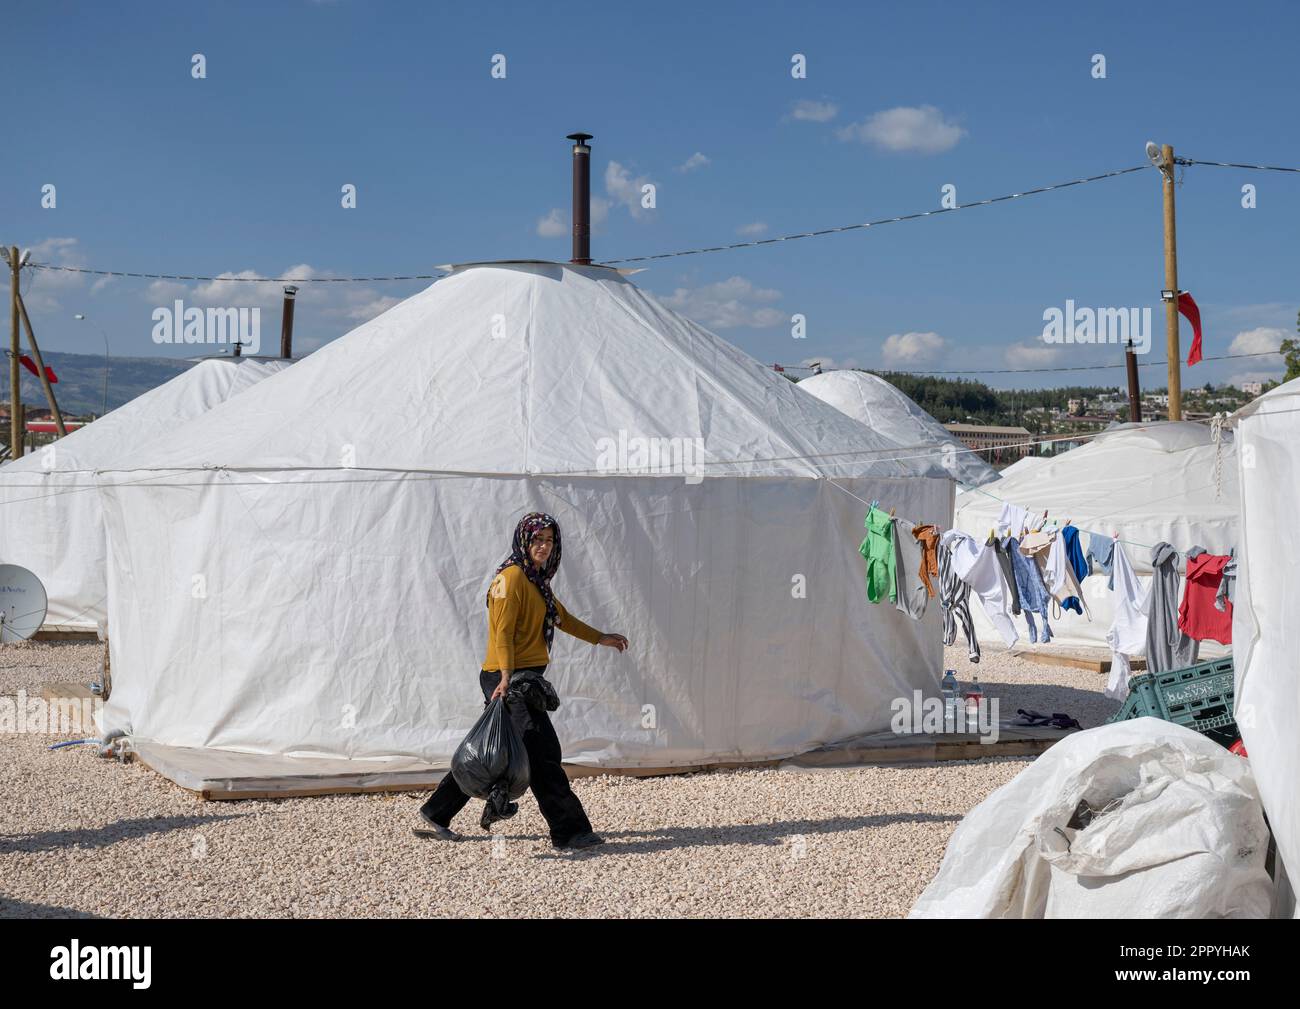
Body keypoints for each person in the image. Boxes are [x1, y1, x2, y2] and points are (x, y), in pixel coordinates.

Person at [417, 512, 629, 850]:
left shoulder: (536, 581)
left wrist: (600, 637)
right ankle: (570, 831)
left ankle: (436, 812)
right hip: (509, 677)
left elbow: (562, 618)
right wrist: (504, 678)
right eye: (537, 540)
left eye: (549, 540)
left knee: (492, 750)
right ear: (524, 542)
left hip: (524, 677)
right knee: (542, 753)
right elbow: (501, 631)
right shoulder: (511, 578)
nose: (544, 546)